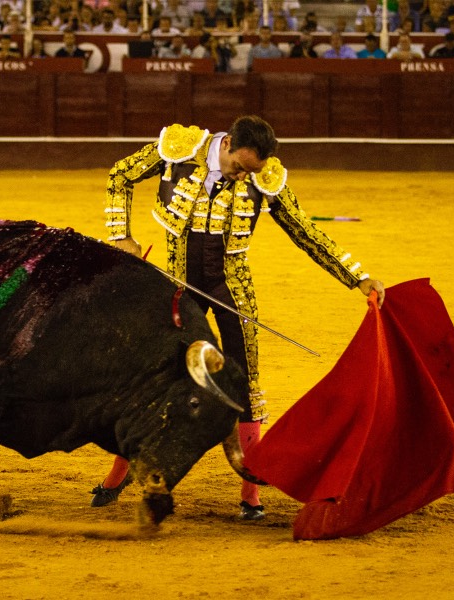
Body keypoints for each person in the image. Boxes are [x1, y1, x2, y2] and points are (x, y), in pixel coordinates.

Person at [92, 115, 386, 520]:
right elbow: (119, 175)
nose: (243, 176)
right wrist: (119, 234)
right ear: (226, 144)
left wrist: (357, 277)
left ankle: (251, 491)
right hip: (177, 283)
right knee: (148, 377)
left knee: (245, 380)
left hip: (232, 285)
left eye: (252, 172)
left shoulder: (265, 178)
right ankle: (119, 472)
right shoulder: (179, 149)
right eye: (240, 167)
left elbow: (305, 232)